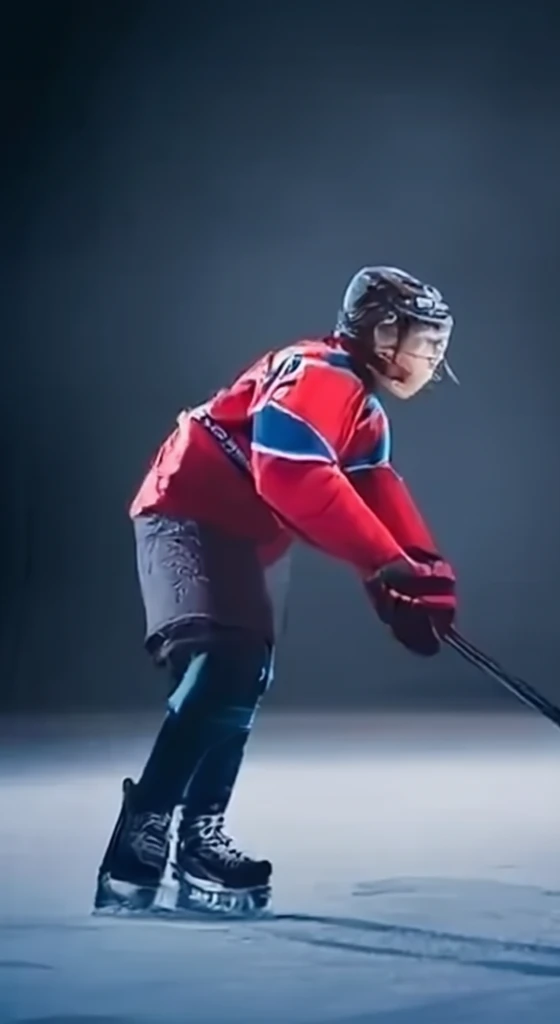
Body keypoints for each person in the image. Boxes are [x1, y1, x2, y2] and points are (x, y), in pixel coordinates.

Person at [94, 266, 458, 917]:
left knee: (245, 674)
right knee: (226, 661)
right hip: (189, 510)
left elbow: (375, 494)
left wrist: (419, 578)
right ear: (379, 331)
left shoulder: (365, 414)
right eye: (422, 337)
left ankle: (198, 832)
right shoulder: (321, 374)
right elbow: (293, 477)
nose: (433, 353)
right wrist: (384, 565)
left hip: (248, 538)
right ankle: (146, 823)